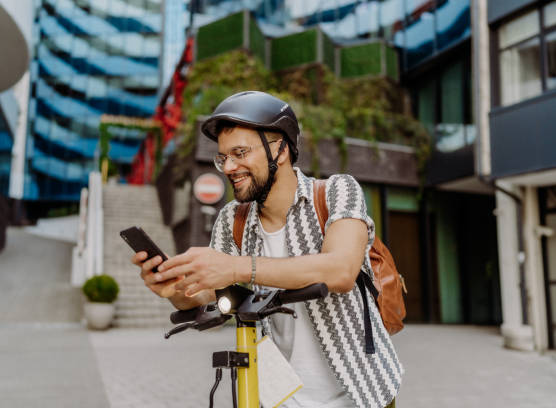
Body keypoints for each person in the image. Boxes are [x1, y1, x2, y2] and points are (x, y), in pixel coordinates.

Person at [132, 91, 403, 408]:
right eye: (223, 157)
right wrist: (173, 288)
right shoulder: (232, 219)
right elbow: (206, 293)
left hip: (360, 393)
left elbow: (340, 271)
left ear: (281, 149)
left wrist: (236, 268)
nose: (230, 166)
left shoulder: (336, 192)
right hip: (280, 398)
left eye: (240, 153)